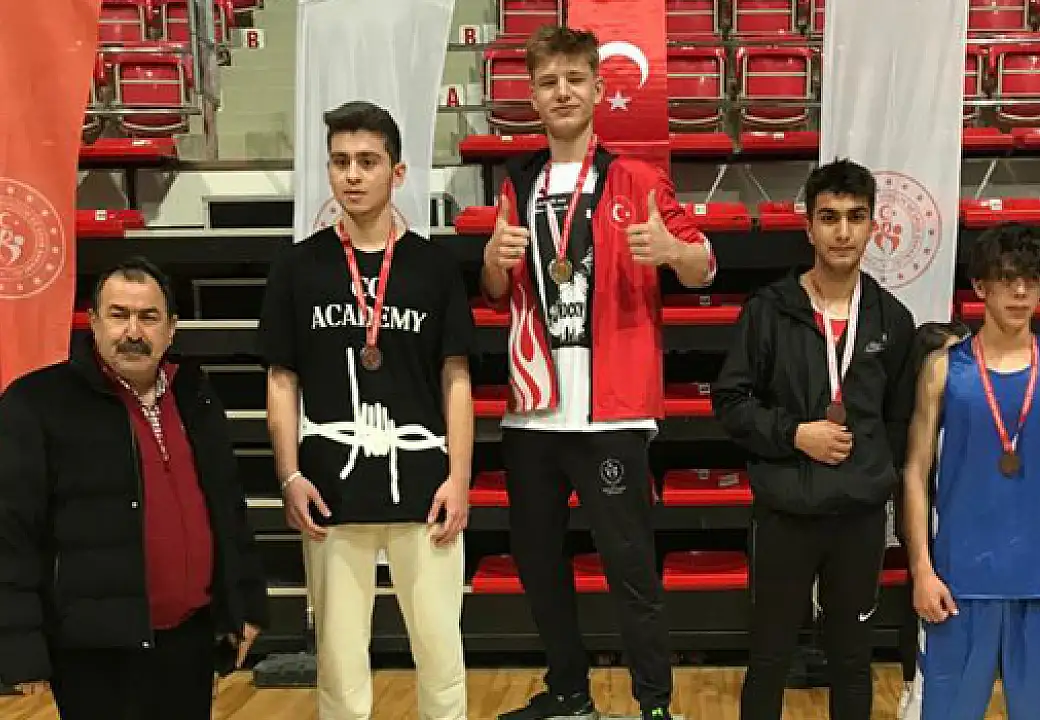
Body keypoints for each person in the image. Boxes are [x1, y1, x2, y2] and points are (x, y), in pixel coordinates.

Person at [482, 25, 716, 720]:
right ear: (532, 96)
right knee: (539, 564)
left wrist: (673, 251)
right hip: (532, 411)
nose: (562, 92)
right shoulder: (515, 182)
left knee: (630, 567)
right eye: (548, 82)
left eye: (574, 79)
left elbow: (704, 266)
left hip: (612, 409)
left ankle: (654, 704)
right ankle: (569, 693)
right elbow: (495, 293)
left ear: (598, 88)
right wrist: (491, 264)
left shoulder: (638, 179)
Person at [258, 101, 475, 720]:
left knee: (440, 653)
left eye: (367, 161)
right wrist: (289, 475)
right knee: (338, 661)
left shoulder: (433, 266)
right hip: (330, 486)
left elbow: (456, 377)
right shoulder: (297, 266)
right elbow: (281, 379)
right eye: (340, 161)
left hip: (423, 485)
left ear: (397, 172)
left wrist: (459, 478)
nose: (352, 175)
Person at [0, 258, 267, 719]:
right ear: (94, 322)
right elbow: (10, 533)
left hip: (188, 638)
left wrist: (244, 603)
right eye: (119, 315)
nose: (133, 332)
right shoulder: (37, 403)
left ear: (171, 328)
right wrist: (19, 644)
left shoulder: (195, 395)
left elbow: (228, 509)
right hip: (93, 648)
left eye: (148, 317)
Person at [711, 159, 918, 720]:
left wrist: (873, 476)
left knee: (852, 660)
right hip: (785, 511)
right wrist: (794, 434)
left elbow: (900, 420)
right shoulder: (769, 311)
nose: (843, 232)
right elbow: (730, 402)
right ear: (809, 228)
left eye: (855, 217)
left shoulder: (892, 320)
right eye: (829, 218)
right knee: (769, 656)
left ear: (872, 226)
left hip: (858, 518)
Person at [901, 224, 1040, 719]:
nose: (1020, 291)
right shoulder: (943, 368)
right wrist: (922, 569)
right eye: (1007, 278)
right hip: (957, 581)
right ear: (980, 285)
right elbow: (914, 472)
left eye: (1032, 280)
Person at [893, 320, 970, 719]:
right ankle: (913, 685)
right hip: (929, 523)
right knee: (922, 604)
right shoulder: (909, 419)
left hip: (970, 525)